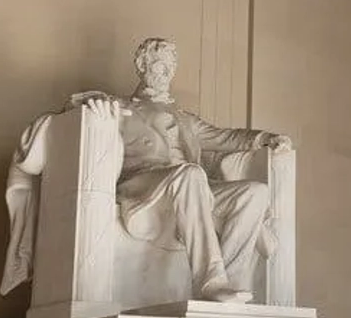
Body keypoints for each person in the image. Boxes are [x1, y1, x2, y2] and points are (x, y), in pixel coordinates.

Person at [100, 37, 292, 303]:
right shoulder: (119, 106)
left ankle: (232, 283)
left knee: (254, 192)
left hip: (191, 187)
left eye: (171, 66)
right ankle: (209, 282)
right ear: (141, 66)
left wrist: (265, 138)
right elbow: (71, 110)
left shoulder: (186, 118)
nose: (166, 72)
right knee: (190, 173)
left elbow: (226, 137)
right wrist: (93, 108)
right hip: (144, 186)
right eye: (159, 65)